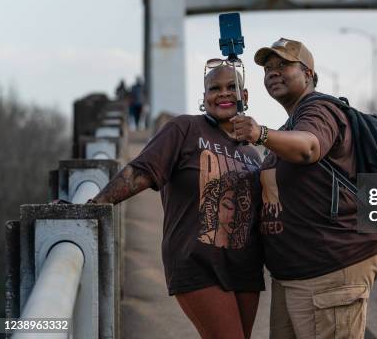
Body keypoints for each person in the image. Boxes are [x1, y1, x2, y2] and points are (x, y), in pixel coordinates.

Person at [88, 61, 265, 339]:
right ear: (204, 97)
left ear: (245, 97)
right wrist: (95, 205)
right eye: (214, 88)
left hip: (245, 269)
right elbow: (140, 172)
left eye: (232, 87)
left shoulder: (253, 153)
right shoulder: (184, 129)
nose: (223, 93)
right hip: (197, 262)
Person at [231, 38, 377, 339]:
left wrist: (259, 133)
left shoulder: (319, 111)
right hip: (296, 274)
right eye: (267, 69)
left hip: (328, 269)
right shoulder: (291, 124)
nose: (273, 73)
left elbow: (310, 148)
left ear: (308, 74)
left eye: (283, 65)